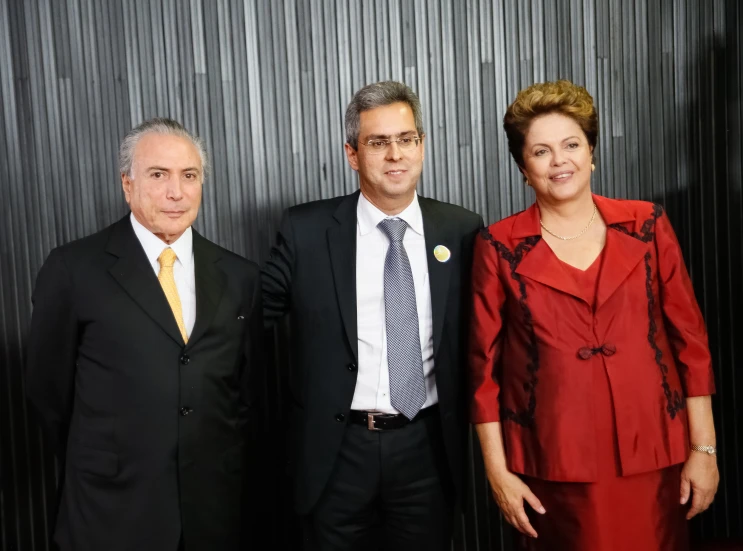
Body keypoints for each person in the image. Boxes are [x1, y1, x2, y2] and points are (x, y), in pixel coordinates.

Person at [469, 80, 719, 550]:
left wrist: (704, 450)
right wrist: (498, 474)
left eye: (571, 145)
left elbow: (693, 346)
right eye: (541, 151)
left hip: (655, 456)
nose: (559, 160)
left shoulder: (647, 225)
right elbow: (482, 375)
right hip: (553, 465)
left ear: (592, 153)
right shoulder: (498, 247)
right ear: (524, 168)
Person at [262, 81, 483, 550]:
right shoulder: (306, 231)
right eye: (378, 143)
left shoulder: (462, 229)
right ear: (352, 154)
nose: (395, 154)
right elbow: (250, 322)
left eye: (406, 139)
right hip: (336, 450)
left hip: (427, 447)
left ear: (421, 145)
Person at [25, 118, 263, 551]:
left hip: (213, 513)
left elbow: (245, 396)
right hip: (111, 511)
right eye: (159, 175)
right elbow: (48, 392)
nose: (177, 192)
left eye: (189, 176)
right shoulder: (73, 270)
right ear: (127, 184)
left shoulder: (240, 276)